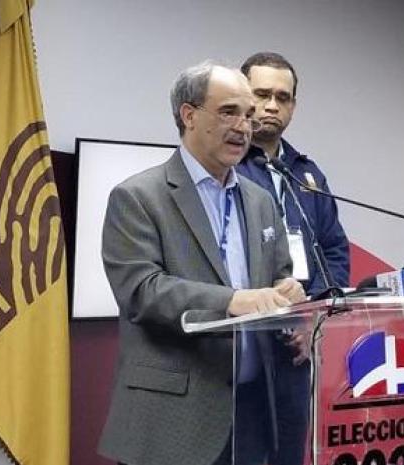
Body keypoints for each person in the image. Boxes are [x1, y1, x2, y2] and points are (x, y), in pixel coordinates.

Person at [97, 61, 305, 465]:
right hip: (172, 418)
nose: (244, 127)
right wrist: (234, 300)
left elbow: (278, 275)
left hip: (251, 416)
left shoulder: (260, 201)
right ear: (189, 115)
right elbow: (143, 292)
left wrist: (290, 301)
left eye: (247, 115)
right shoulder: (138, 197)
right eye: (229, 112)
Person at [234, 52, 350, 465]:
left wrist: (312, 314)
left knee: (288, 455)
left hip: (295, 345)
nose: (271, 106)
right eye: (261, 94)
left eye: (282, 97)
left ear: (293, 107)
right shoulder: (224, 168)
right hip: (241, 345)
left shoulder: (307, 173)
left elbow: (334, 249)